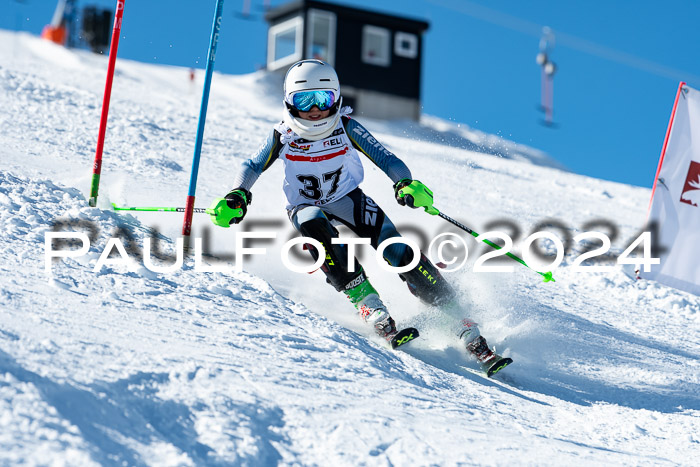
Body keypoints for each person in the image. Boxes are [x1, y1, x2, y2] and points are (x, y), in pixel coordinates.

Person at [209, 60, 510, 374]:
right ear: (289, 101)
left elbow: (385, 156)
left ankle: (456, 315)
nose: (314, 110)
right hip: (306, 205)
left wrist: (404, 182)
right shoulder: (283, 134)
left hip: (348, 199)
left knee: (397, 251)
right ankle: (368, 303)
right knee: (315, 228)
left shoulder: (345, 126)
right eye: (304, 100)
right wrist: (237, 194)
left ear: (336, 98)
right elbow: (252, 165)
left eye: (323, 99)